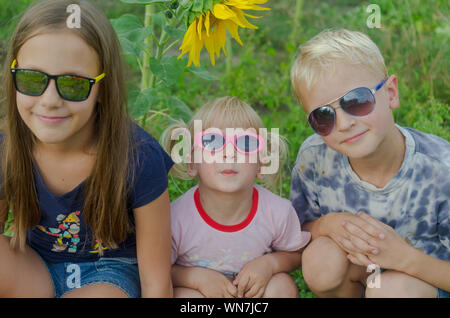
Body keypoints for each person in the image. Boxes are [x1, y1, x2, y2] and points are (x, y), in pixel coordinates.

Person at [0, 0, 174, 298]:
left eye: (73, 84)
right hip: (35, 268)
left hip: (110, 276)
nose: (50, 100)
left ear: (103, 88)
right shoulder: (7, 147)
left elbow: (156, 282)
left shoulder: (139, 156)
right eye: (32, 79)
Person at [289, 28, 450, 298]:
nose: (345, 124)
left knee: (392, 291)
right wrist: (325, 225)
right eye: (323, 116)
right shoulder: (314, 158)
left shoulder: (441, 169)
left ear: (391, 93)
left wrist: (403, 258)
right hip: (364, 274)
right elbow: (296, 231)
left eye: (357, 101)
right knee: (320, 261)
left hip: (428, 279)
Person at [161, 96, 311, 298]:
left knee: (282, 286)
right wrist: (197, 279)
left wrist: (268, 265)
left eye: (246, 143)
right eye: (212, 142)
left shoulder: (278, 211)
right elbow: (158, 270)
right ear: (192, 163)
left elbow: (295, 254)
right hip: (202, 295)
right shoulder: (176, 218)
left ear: (261, 164)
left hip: (252, 294)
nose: (229, 153)